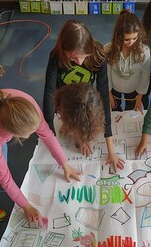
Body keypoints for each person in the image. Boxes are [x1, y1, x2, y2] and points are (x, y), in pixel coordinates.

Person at [0, 89, 82, 225]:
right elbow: (4, 178)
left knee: (0, 165)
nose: (31, 136)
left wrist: (65, 165)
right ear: (10, 132)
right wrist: (26, 206)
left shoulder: (28, 105)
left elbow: (47, 135)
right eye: (27, 134)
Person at [43, 20, 124, 171]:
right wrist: (51, 134)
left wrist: (111, 150)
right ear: (63, 48)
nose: (79, 62)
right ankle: (75, 135)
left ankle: (80, 135)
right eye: (73, 57)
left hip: (84, 97)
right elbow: (49, 94)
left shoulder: (98, 56)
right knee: (70, 124)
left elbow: (104, 96)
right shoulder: (56, 56)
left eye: (84, 56)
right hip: (65, 99)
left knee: (87, 118)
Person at [105, 10, 150, 112]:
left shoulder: (144, 51)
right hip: (114, 88)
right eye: (127, 39)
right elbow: (107, 74)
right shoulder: (108, 49)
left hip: (133, 88)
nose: (131, 42)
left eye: (135, 38)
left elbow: (145, 76)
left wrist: (139, 99)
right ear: (119, 37)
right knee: (115, 112)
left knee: (131, 111)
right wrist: (109, 95)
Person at [54, 83, 105, 153]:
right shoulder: (61, 103)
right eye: (74, 133)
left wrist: (83, 139)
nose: (71, 134)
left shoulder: (95, 109)